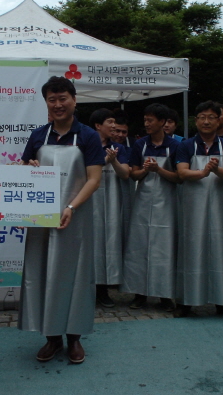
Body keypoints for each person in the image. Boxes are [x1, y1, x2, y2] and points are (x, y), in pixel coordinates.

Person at [19, 76, 104, 365]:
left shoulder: (88, 137)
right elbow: (22, 173)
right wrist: (28, 167)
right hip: (40, 220)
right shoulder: (38, 136)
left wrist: (70, 206)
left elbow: (94, 180)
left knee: (76, 276)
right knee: (42, 272)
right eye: (51, 100)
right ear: (46, 103)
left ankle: (74, 338)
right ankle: (51, 338)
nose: (57, 104)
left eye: (62, 98)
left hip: (75, 218)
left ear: (74, 100)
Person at [175, 101, 223, 318]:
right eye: (202, 117)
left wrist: (217, 170)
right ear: (195, 120)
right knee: (192, 247)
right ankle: (187, 301)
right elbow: (182, 173)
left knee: (222, 248)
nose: (206, 121)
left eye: (211, 117)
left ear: (219, 120)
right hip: (193, 206)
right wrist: (203, 173)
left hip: (222, 205)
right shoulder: (186, 145)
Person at [122, 103, 181, 311]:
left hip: (168, 202)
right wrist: (146, 171)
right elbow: (133, 174)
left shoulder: (175, 146)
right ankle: (139, 293)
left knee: (164, 248)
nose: (146, 124)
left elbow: (179, 177)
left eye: (150, 120)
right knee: (140, 245)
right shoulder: (140, 145)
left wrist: (159, 170)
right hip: (143, 201)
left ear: (163, 122)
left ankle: (165, 294)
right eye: (145, 120)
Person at [88, 108, 130, 308]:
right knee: (91, 242)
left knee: (109, 242)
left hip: (112, 200)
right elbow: (81, 171)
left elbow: (126, 174)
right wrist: (104, 160)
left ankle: (103, 290)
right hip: (89, 199)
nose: (114, 126)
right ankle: (87, 289)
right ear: (98, 125)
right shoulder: (84, 145)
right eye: (110, 122)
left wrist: (113, 161)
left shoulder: (119, 148)